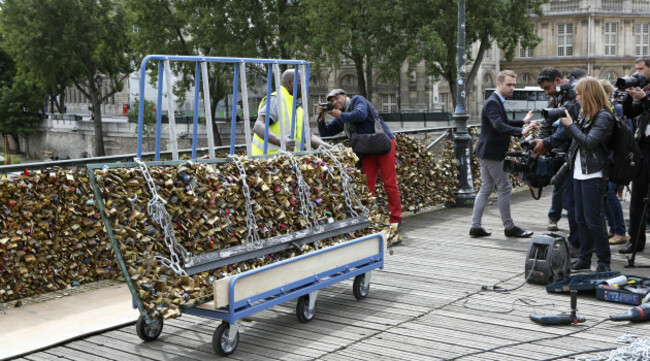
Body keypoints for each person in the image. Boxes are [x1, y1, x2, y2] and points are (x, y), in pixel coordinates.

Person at [317, 88, 402, 228]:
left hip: (383, 143)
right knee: (367, 185)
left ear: (345, 96)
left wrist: (340, 115)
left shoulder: (357, 100)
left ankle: (395, 218)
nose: (335, 102)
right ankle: (368, 217)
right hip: (368, 149)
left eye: (337, 98)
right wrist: (321, 117)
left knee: (389, 183)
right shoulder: (341, 117)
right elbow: (325, 132)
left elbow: (360, 115)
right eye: (332, 101)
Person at [469, 70, 536, 238]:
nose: (512, 88)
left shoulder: (496, 101)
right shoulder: (493, 103)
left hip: (486, 152)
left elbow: (502, 122)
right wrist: (522, 131)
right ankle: (509, 227)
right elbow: (499, 126)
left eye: (514, 84)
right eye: (509, 84)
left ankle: (475, 227)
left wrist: (522, 121)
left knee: (486, 188)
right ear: (499, 84)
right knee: (505, 187)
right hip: (491, 153)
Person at [560, 76, 614, 272]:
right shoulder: (586, 114)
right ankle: (584, 258)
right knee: (580, 218)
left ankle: (603, 262)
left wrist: (570, 125)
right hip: (579, 173)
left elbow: (589, 142)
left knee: (594, 221)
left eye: (580, 93)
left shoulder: (603, 116)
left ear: (589, 94)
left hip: (594, 174)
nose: (577, 97)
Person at [531, 67, 581, 257]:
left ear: (558, 81)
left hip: (576, 157)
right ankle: (582, 242)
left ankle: (578, 243)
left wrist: (546, 143)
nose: (546, 92)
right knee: (573, 200)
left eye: (547, 88)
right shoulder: (561, 97)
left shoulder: (572, 99)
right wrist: (545, 143)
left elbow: (568, 128)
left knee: (572, 201)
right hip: (568, 155)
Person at [252, 69, 327, 155]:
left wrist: (331, 149)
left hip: (288, 162)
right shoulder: (276, 99)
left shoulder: (298, 109)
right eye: (302, 82)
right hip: (267, 162)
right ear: (290, 83)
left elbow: (309, 137)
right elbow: (258, 125)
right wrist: (279, 141)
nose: (306, 85)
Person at [619, 56, 650, 254]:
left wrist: (644, 99)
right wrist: (629, 94)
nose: (637, 73)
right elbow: (629, 112)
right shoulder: (643, 92)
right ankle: (635, 241)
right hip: (645, 148)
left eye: (641, 69)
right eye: (636, 69)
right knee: (637, 195)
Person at [599, 79, 629, 245]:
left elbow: (625, 133)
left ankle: (620, 231)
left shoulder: (616, 108)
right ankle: (614, 228)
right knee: (606, 194)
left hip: (616, 159)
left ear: (608, 94)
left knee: (610, 193)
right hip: (609, 159)